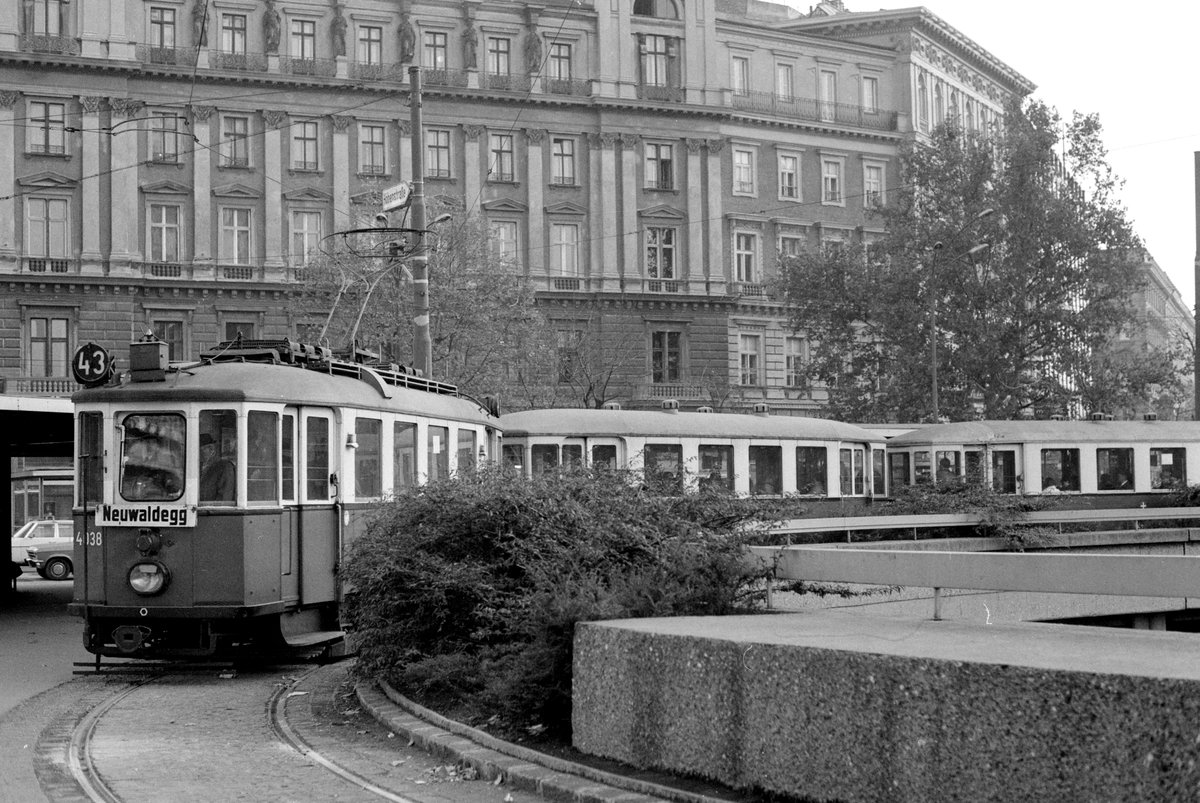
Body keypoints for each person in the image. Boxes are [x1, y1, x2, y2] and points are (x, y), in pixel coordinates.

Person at [200, 433, 235, 503]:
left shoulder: (224, 467)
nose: (198, 453)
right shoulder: (199, 467)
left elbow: (224, 499)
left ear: (211, 449)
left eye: (202, 450)